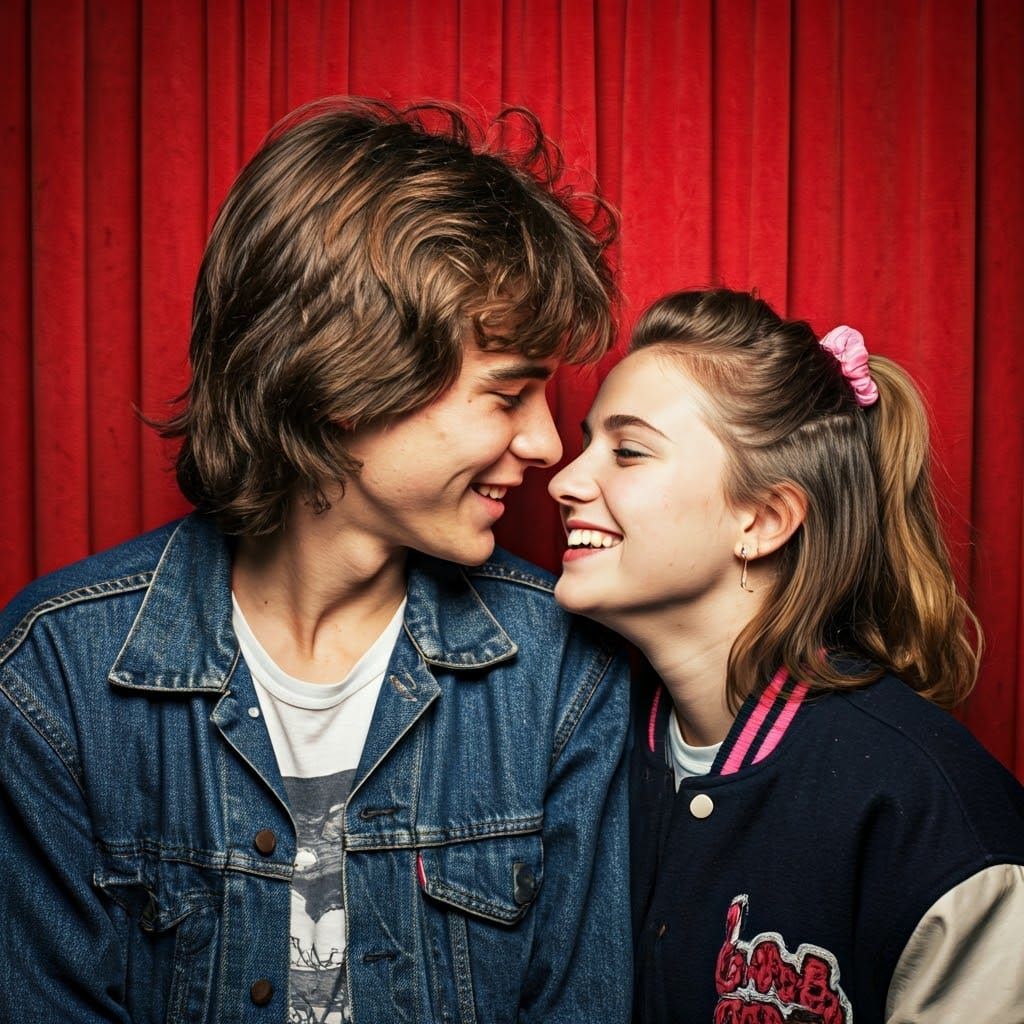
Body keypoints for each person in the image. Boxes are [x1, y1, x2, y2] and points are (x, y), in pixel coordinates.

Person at [0, 99, 632, 1024]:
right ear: (346, 380)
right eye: (508, 394)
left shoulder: (564, 670)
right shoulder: (57, 672)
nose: (545, 442)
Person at [548, 288, 1024, 1023]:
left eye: (628, 451)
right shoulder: (577, 748)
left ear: (764, 520)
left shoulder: (935, 813)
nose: (565, 480)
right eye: (587, 445)